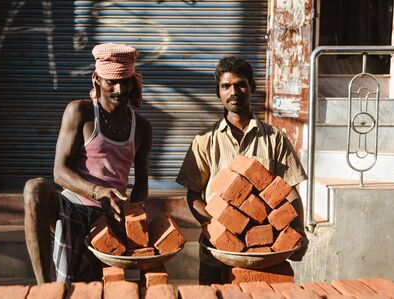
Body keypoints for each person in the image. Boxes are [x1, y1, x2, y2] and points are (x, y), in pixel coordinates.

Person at [23, 43, 153, 284]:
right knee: (34, 188)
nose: (119, 89)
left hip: (110, 214)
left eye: (125, 82)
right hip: (72, 207)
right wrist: (98, 192)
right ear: (97, 80)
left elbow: (141, 186)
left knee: (101, 286)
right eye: (111, 82)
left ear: (134, 81)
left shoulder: (142, 127)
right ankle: (45, 289)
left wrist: (130, 217)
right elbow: (59, 172)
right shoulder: (80, 112)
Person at [176, 56, 308, 284]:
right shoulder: (204, 140)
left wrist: (299, 231)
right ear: (218, 93)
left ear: (252, 88)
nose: (233, 92)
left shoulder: (274, 138)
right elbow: (194, 195)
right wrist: (214, 227)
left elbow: (290, 190)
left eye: (240, 84)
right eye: (226, 86)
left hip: (264, 249)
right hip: (216, 252)